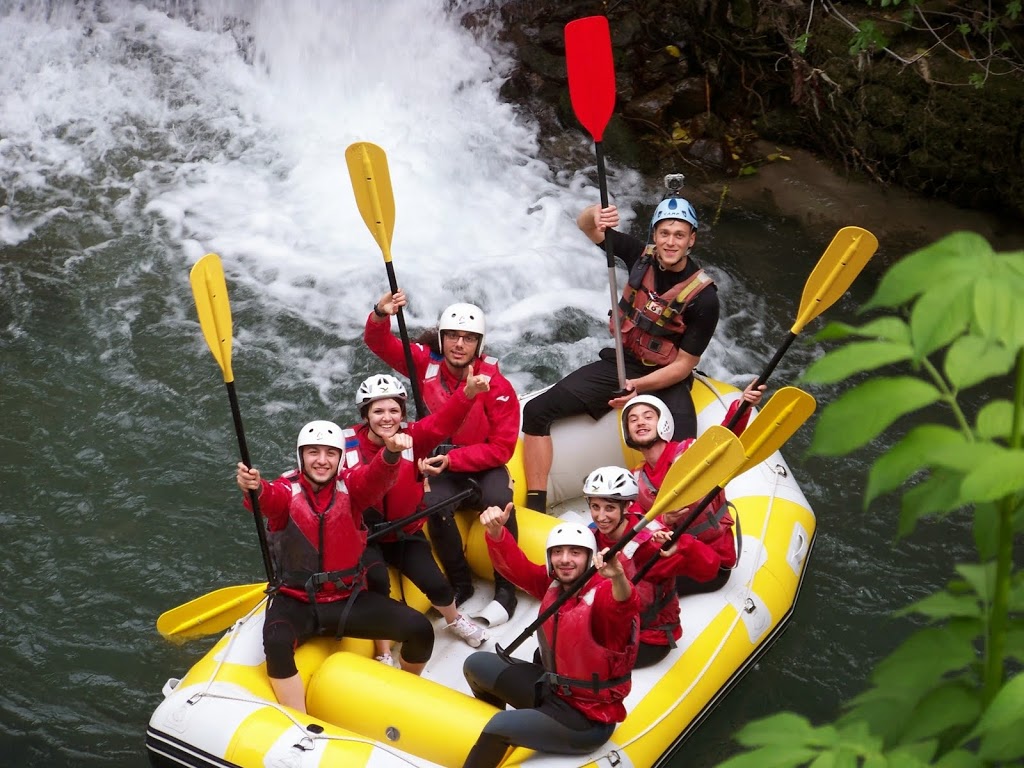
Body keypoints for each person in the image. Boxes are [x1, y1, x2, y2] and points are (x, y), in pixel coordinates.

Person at [521, 194, 720, 512]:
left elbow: (684, 366)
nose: (670, 242)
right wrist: (594, 214)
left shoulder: (705, 299)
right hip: (623, 363)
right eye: (664, 233)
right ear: (654, 235)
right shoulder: (640, 256)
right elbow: (586, 227)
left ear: (691, 240)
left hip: (666, 380)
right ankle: (534, 506)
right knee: (535, 412)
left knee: (684, 462)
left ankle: (667, 523)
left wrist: (638, 388)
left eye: (679, 235)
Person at [234, 420, 434, 713]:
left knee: (420, 629)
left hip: (347, 598)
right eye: (313, 452)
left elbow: (376, 478)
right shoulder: (284, 490)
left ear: (340, 458)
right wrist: (254, 487)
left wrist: (390, 455)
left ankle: (404, 688)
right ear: (300, 456)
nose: (322, 460)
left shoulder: (352, 487)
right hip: (295, 600)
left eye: (330, 453)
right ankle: (297, 721)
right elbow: (267, 498)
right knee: (276, 642)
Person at [366, 292, 522, 624]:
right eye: (452, 335)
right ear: (442, 337)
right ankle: (460, 583)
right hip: (436, 464)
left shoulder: (497, 385)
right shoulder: (423, 362)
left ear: (478, 345)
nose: (459, 344)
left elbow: (501, 449)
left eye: (468, 338)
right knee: (433, 507)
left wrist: (454, 461)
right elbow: (379, 343)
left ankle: (506, 587)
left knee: (498, 500)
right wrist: (381, 313)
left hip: (482, 465)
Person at [460, 503, 639, 768]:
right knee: (475, 665)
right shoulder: (555, 584)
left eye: (575, 553)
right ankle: (507, 739)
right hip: (551, 690)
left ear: (590, 558)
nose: (565, 559)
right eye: (558, 552)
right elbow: (516, 569)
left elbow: (623, 605)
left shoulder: (604, 597)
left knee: (500, 725)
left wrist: (618, 578)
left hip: (585, 718)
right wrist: (497, 534)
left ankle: (503, 733)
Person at [341, 373, 490, 658]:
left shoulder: (413, 438)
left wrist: (467, 393)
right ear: (365, 414)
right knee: (377, 583)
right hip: (363, 536)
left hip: (403, 530)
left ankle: (454, 619)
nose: (387, 418)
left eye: (394, 410)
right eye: (378, 411)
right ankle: (382, 649)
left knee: (436, 583)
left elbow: (443, 422)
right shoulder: (346, 445)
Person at [623, 381, 765, 594]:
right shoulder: (637, 478)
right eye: (633, 420)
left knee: (636, 589)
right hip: (674, 556)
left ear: (663, 423)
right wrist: (665, 520)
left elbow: (726, 441)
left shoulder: (689, 452)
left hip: (712, 560)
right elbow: (636, 529)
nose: (640, 422)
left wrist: (742, 405)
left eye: (648, 417)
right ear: (628, 433)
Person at [582, 465, 721, 667]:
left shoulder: (650, 546)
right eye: (595, 507)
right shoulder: (592, 536)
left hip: (649, 638)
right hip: (614, 627)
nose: (601, 517)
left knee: (579, 663)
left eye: (609, 508)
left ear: (626, 507)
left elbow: (711, 568)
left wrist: (682, 544)